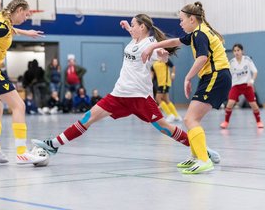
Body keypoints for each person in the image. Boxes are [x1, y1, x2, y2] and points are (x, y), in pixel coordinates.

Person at [32, 14, 221, 172]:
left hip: (140, 98)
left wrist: (162, 54)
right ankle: (53, 145)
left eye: (133, 25)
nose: (131, 27)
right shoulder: (135, 39)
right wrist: (127, 29)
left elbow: (160, 56)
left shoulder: (150, 43)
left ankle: (201, 148)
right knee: (88, 117)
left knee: (165, 127)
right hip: (119, 94)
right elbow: (135, 40)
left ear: (142, 27)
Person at [141, 2, 231, 174]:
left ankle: (204, 160)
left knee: (190, 119)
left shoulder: (199, 33)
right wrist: (153, 46)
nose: (180, 23)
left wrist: (187, 78)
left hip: (216, 75)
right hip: (215, 76)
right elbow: (175, 41)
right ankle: (198, 155)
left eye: (181, 20)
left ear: (192, 19)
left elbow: (202, 58)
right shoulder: (198, 31)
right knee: (190, 119)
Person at [0, 0, 47, 164]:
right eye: (25, 15)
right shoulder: (1, 26)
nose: (26, 19)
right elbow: (1, 30)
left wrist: (27, 33)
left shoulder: (1, 18)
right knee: (19, 106)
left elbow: (9, 29)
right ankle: (21, 152)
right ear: (19, 10)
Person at [220, 44, 264, 129]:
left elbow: (255, 72)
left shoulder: (247, 60)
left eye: (238, 50)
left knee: (253, 104)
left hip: (247, 86)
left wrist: (252, 81)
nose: (236, 52)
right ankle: (226, 122)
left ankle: (259, 121)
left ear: (242, 51)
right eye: (235, 51)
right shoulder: (232, 62)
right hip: (236, 86)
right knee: (230, 104)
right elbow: (228, 74)